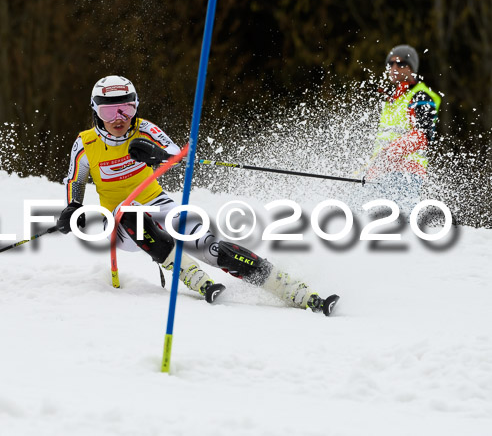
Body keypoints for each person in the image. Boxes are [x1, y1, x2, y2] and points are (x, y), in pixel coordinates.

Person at [57, 75, 339, 315]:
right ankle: (191, 274)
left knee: (212, 246)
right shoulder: (86, 143)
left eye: (126, 109)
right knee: (131, 214)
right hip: (121, 221)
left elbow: (181, 154)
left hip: (158, 205)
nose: (119, 119)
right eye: (109, 112)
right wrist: (73, 208)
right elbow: (75, 180)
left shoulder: (144, 129)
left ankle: (291, 289)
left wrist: (157, 155)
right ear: (95, 111)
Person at [366, 45, 441, 213]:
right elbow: (384, 140)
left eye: (400, 64)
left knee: (398, 224)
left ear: (411, 67)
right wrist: (370, 168)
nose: (394, 68)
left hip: (407, 173)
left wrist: (389, 154)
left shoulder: (420, 96)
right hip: (382, 173)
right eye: (390, 64)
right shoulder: (392, 100)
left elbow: (423, 135)